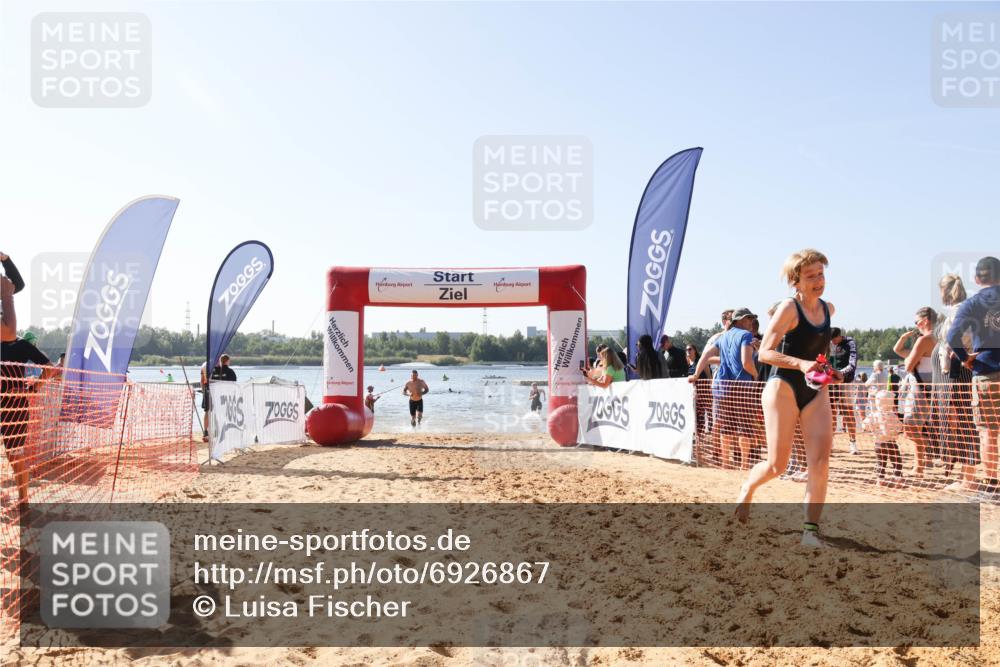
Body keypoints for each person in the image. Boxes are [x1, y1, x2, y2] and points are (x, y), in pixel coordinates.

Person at [734, 249, 840, 548]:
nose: (819, 280)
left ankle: (810, 531)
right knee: (777, 465)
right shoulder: (789, 309)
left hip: (815, 389)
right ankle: (748, 488)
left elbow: (816, 351)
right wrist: (801, 364)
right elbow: (764, 352)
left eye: (821, 274)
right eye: (811, 276)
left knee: (820, 461)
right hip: (782, 386)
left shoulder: (828, 308)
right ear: (796, 281)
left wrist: (828, 369)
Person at [1, 260, 56, 507]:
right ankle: (21, 498)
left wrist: (5, 260)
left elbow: (17, 285)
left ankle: (23, 499)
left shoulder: (20, 344)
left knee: (15, 455)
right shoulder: (15, 342)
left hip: (14, 403)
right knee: (14, 455)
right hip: (11, 401)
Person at [947, 256, 1000, 497]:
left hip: (986, 373)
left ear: (978, 279)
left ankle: (992, 486)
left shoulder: (972, 304)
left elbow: (952, 337)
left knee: (989, 431)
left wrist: (965, 358)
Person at [690, 307, 758, 470]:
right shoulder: (746, 335)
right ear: (741, 320)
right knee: (745, 427)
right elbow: (746, 362)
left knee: (726, 426)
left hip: (722, 388)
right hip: (742, 387)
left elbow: (705, 356)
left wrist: (696, 375)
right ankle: (744, 464)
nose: (751, 322)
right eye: (749, 319)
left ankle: (726, 463)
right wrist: (756, 375)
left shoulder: (723, 336)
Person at [937, 273, 979, 493]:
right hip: (960, 369)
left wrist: (961, 358)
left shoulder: (957, 311)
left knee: (964, 424)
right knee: (963, 423)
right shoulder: (967, 308)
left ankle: (968, 479)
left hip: (958, 371)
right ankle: (966, 476)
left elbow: (956, 341)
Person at [893, 307, 938, 478]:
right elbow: (899, 351)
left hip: (920, 389)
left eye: (916, 322)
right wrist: (904, 339)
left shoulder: (925, 340)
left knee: (911, 427)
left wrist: (911, 354)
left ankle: (919, 466)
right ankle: (925, 461)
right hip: (935, 388)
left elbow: (908, 366)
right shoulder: (942, 338)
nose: (916, 326)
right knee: (921, 427)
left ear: (925, 321)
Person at [861, 389, 904, 486]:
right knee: (896, 460)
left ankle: (880, 479)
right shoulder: (893, 416)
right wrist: (897, 431)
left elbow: (864, 425)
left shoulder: (874, 415)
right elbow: (900, 427)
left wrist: (871, 426)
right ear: (891, 403)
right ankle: (898, 479)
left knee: (881, 462)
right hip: (891, 443)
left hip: (879, 443)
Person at [829, 327, 859, 454]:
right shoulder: (829, 344)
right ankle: (830, 442)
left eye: (834, 340)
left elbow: (852, 364)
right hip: (830, 382)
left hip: (846, 381)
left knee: (848, 411)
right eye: (830, 341)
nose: (832, 343)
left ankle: (853, 443)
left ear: (839, 336)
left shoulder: (850, 343)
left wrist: (839, 374)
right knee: (831, 413)